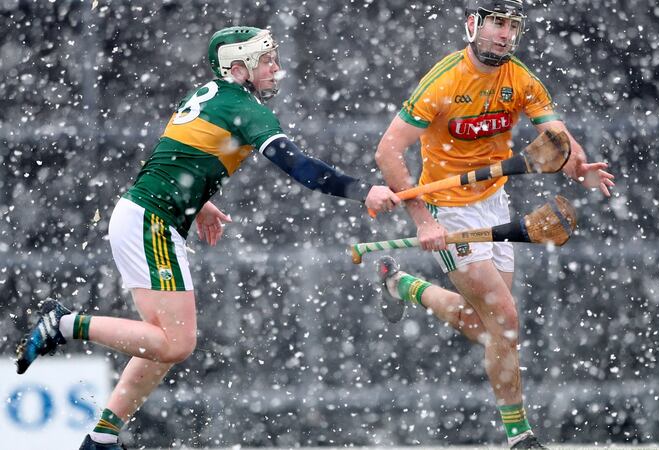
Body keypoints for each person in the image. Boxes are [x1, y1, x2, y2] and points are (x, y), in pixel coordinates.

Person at [14, 26, 400, 450]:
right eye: (266, 61)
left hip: (143, 214)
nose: (276, 68)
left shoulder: (210, 93)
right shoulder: (247, 109)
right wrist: (365, 191)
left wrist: (199, 200)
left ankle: (102, 438)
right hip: (152, 223)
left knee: (162, 340)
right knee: (176, 343)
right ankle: (65, 324)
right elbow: (302, 170)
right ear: (238, 68)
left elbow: (175, 153)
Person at [374, 1, 615, 448]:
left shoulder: (519, 78)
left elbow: (556, 137)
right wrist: (423, 221)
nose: (505, 35)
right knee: (504, 320)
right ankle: (519, 437)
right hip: (447, 209)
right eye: (496, 25)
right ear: (473, 26)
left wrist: (577, 166)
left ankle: (402, 285)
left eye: (512, 26)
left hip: (494, 204)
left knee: (485, 324)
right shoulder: (444, 81)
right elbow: (388, 152)